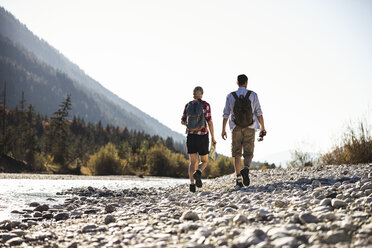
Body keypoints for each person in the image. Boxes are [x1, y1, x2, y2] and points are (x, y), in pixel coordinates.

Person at [222, 74, 266, 189]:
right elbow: (259, 112)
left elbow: (226, 114)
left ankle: (238, 180)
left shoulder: (230, 96)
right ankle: (246, 168)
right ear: (246, 82)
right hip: (250, 127)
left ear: (237, 83)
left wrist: (223, 129)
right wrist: (262, 127)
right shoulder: (253, 95)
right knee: (248, 152)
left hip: (235, 128)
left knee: (237, 154)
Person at [181, 86, 217, 193]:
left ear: (193, 94)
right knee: (204, 161)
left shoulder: (188, 105)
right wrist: (213, 137)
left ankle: (192, 185)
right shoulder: (205, 105)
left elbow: (183, 121)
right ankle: (198, 172)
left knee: (192, 162)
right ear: (202, 94)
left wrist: (191, 125)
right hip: (202, 136)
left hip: (191, 136)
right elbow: (209, 121)